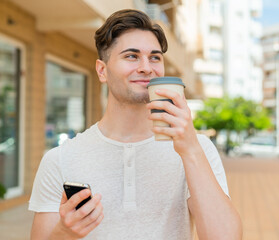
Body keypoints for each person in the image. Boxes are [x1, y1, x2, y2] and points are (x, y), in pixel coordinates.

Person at [29, 9, 242, 240]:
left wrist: (190, 150)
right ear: (102, 70)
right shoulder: (60, 158)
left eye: (154, 57)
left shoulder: (197, 148)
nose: (146, 68)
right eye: (131, 56)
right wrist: (64, 232)